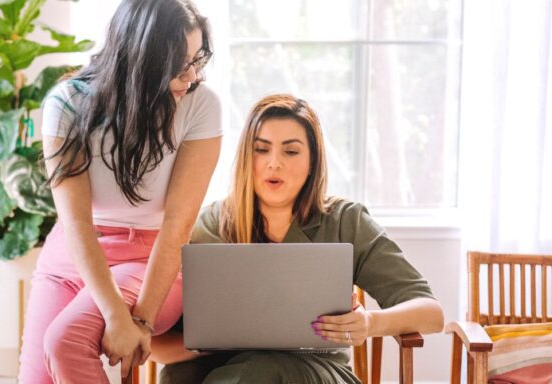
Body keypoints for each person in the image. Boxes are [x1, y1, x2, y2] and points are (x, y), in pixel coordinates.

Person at [151, 94, 444, 384]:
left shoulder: (345, 220)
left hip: (315, 371)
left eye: (290, 152)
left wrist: (369, 323)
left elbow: (431, 313)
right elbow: (158, 344)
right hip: (219, 367)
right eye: (261, 150)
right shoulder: (209, 224)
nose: (273, 163)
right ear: (245, 158)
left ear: (312, 161)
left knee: (263, 370)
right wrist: (209, 342)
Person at [17, 0, 222, 382]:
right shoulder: (67, 103)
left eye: (198, 59)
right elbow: (75, 223)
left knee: (65, 342)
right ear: (141, 59)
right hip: (73, 255)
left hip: (151, 258)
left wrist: (140, 320)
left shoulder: (201, 106)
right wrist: (115, 316)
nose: (192, 76)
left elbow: (178, 223)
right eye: (180, 65)